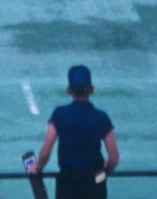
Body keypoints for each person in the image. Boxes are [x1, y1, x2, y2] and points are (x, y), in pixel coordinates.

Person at [29, 64, 117, 198]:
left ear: (69, 90)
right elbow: (114, 159)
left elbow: (45, 153)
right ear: (91, 89)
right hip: (95, 182)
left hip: (68, 182)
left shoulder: (59, 114)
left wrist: (37, 168)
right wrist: (101, 174)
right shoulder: (101, 117)